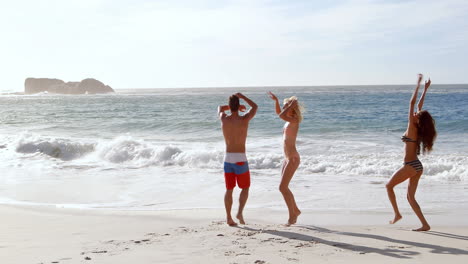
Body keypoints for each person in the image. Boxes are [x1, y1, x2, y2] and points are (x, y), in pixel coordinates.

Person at [386, 74, 437, 231]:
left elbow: (412, 103)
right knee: (410, 197)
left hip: (410, 165)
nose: (415, 113)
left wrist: (418, 84)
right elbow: (419, 106)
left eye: (416, 114)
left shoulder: (412, 125)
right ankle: (425, 224)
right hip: (417, 166)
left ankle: (397, 214)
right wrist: (426, 89)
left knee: (389, 186)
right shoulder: (417, 127)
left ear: (416, 119)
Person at [218, 93, 258, 226]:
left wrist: (233, 106)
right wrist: (244, 98)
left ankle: (228, 217)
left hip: (228, 158)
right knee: (245, 187)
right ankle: (239, 212)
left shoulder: (223, 118)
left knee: (229, 189)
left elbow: (219, 108)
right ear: (238, 106)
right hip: (240, 158)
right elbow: (255, 106)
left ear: (229, 106)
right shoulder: (244, 120)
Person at [268, 91, 305, 226]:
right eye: (284, 106)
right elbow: (280, 113)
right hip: (287, 158)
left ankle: (292, 216)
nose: (284, 108)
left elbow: (281, 114)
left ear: (291, 108)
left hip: (293, 158)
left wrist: (290, 104)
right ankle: (295, 210)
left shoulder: (294, 120)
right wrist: (277, 101)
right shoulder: (287, 121)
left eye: (286, 106)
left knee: (283, 188)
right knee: (283, 188)